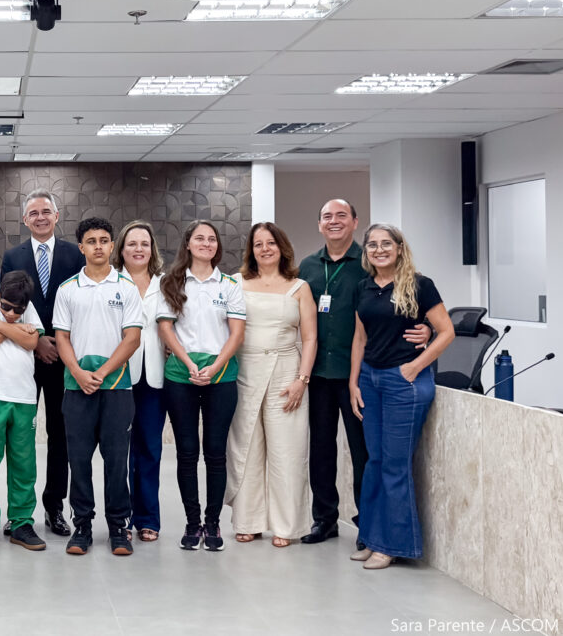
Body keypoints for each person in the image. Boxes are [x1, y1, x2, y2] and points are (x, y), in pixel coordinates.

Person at [297, 200, 430, 548]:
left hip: (360, 375)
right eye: (327, 216)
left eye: (342, 216)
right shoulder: (308, 267)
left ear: (355, 222)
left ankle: (366, 524)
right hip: (319, 373)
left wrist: (426, 329)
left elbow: (405, 303)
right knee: (321, 449)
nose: (334, 221)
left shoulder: (368, 264)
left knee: (364, 453)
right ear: (319, 224)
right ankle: (324, 519)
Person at [349, 224, 454, 570]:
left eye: (386, 244)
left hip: (403, 384)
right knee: (374, 462)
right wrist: (353, 382)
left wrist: (414, 367)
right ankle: (370, 537)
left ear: (398, 247)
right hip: (370, 380)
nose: (379, 250)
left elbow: (446, 331)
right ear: (366, 251)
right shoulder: (363, 287)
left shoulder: (420, 285)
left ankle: (392, 545)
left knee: (394, 466)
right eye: (372, 245)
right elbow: (360, 339)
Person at [53, 217, 143, 556]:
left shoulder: (127, 287)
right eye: (92, 241)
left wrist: (102, 373)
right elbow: (61, 337)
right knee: (79, 460)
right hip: (77, 388)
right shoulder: (67, 289)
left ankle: (119, 526)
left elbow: (132, 338)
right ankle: (83, 526)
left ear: (111, 246)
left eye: (105, 240)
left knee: (117, 460)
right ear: (81, 247)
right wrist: (77, 371)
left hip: (117, 389)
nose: (99, 246)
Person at [156, 220, 246, 552]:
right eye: (199, 238)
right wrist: (191, 365)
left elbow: (236, 333)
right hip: (181, 376)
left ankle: (213, 524)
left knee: (216, 453)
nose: (206, 243)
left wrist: (214, 366)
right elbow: (166, 329)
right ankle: (192, 524)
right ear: (188, 244)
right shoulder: (172, 282)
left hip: (221, 377)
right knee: (187, 452)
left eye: (211, 239)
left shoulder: (230, 284)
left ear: (217, 246)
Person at [1, 189, 85, 538]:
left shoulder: (74, 254)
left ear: (57, 215)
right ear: (25, 219)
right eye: (33, 212)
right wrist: (37, 342)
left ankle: (54, 507)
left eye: (46, 211)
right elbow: (6, 305)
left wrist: (58, 343)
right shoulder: (12, 255)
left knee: (60, 435)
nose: (40, 217)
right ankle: (19, 511)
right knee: (19, 434)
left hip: (64, 358)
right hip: (24, 357)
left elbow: (80, 302)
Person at [226, 222, 316, 548]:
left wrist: (301, 380)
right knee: (246, 447)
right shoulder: (235, 283)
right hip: (244, 370)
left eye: (271, 243)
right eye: (258, 244)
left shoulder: (299, 287)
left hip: (285, 372)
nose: (265, 249)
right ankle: (248, 521)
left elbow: (309, 337)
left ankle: (286, 525)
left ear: (282, 247)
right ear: (251, 249)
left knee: (286, 451)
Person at [0, 271, 48, 556]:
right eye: (6, 307)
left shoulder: (23, 309)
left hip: (24, 397)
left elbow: (32, 343)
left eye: (19, 310)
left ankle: (21, 524)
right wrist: (10, 328)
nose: (12, 313)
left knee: (24, 465)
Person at [111, 220, 165, 542]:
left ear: (152, 249)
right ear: (122, 248)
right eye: (132, 244)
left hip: (154, 377)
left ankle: (148, 518)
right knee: (121, 451)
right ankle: (122, 518)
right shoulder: (113, 283)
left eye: (144, 243)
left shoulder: (167, 283)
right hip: (120, 376)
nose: (138, 249)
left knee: (150, 449)